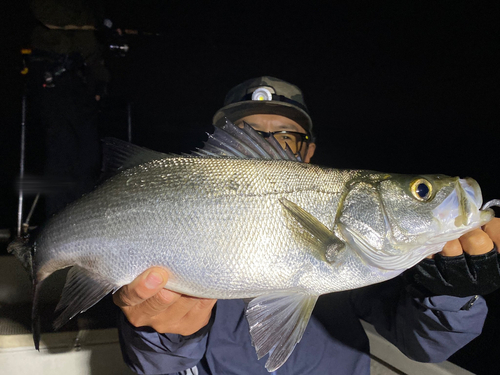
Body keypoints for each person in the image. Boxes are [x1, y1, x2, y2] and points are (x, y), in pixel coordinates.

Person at [114, 76, 500, 374]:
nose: (273, 149)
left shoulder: (370, 261)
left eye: (286, 137)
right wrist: (157, 332)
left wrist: (450, 294)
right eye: (250, 136)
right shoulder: (184, 214)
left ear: (309, 151)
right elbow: (159, 368)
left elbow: (424, 347)